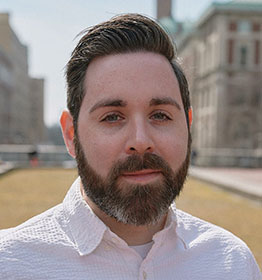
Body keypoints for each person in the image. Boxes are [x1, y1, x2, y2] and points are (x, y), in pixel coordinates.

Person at [0, 14, 261, 280]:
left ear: (187, 125)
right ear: (70, 134)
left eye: (160, 115)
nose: (141, 141)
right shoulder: (10, 265)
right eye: (112, 117)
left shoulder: (232, 263)